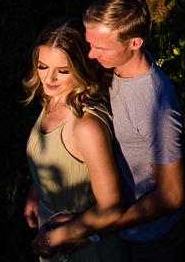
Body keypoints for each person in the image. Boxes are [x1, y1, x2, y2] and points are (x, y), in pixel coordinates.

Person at [80, 0, 185, 261]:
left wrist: (101, 228)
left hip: (149, 239)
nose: (91, 55)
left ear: (134, 43)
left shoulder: (155, 105)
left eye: (100, 48)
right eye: (90, 43)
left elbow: (171, 195)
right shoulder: (114, 68)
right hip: (119, 221)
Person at [23, 17, 128, 261]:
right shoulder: (55, 96)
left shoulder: (85, 126)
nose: (49, 79)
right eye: (42, 66)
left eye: (62, 71)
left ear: (82, 67)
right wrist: (38, 188)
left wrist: (51, 240)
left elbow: (111, 208)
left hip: (87, 251)